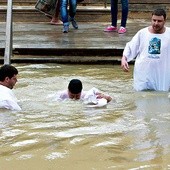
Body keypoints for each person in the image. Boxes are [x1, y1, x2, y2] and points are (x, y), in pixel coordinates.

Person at [121, 8, 170, 91]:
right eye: (154, 20)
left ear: (165, 21)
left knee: (161, 99)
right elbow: (130, 46)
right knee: (142, 99)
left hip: (161, 76)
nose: (156, 23)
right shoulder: (142, 33)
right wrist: (124, 59)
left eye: (159, 21)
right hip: (143, 75)